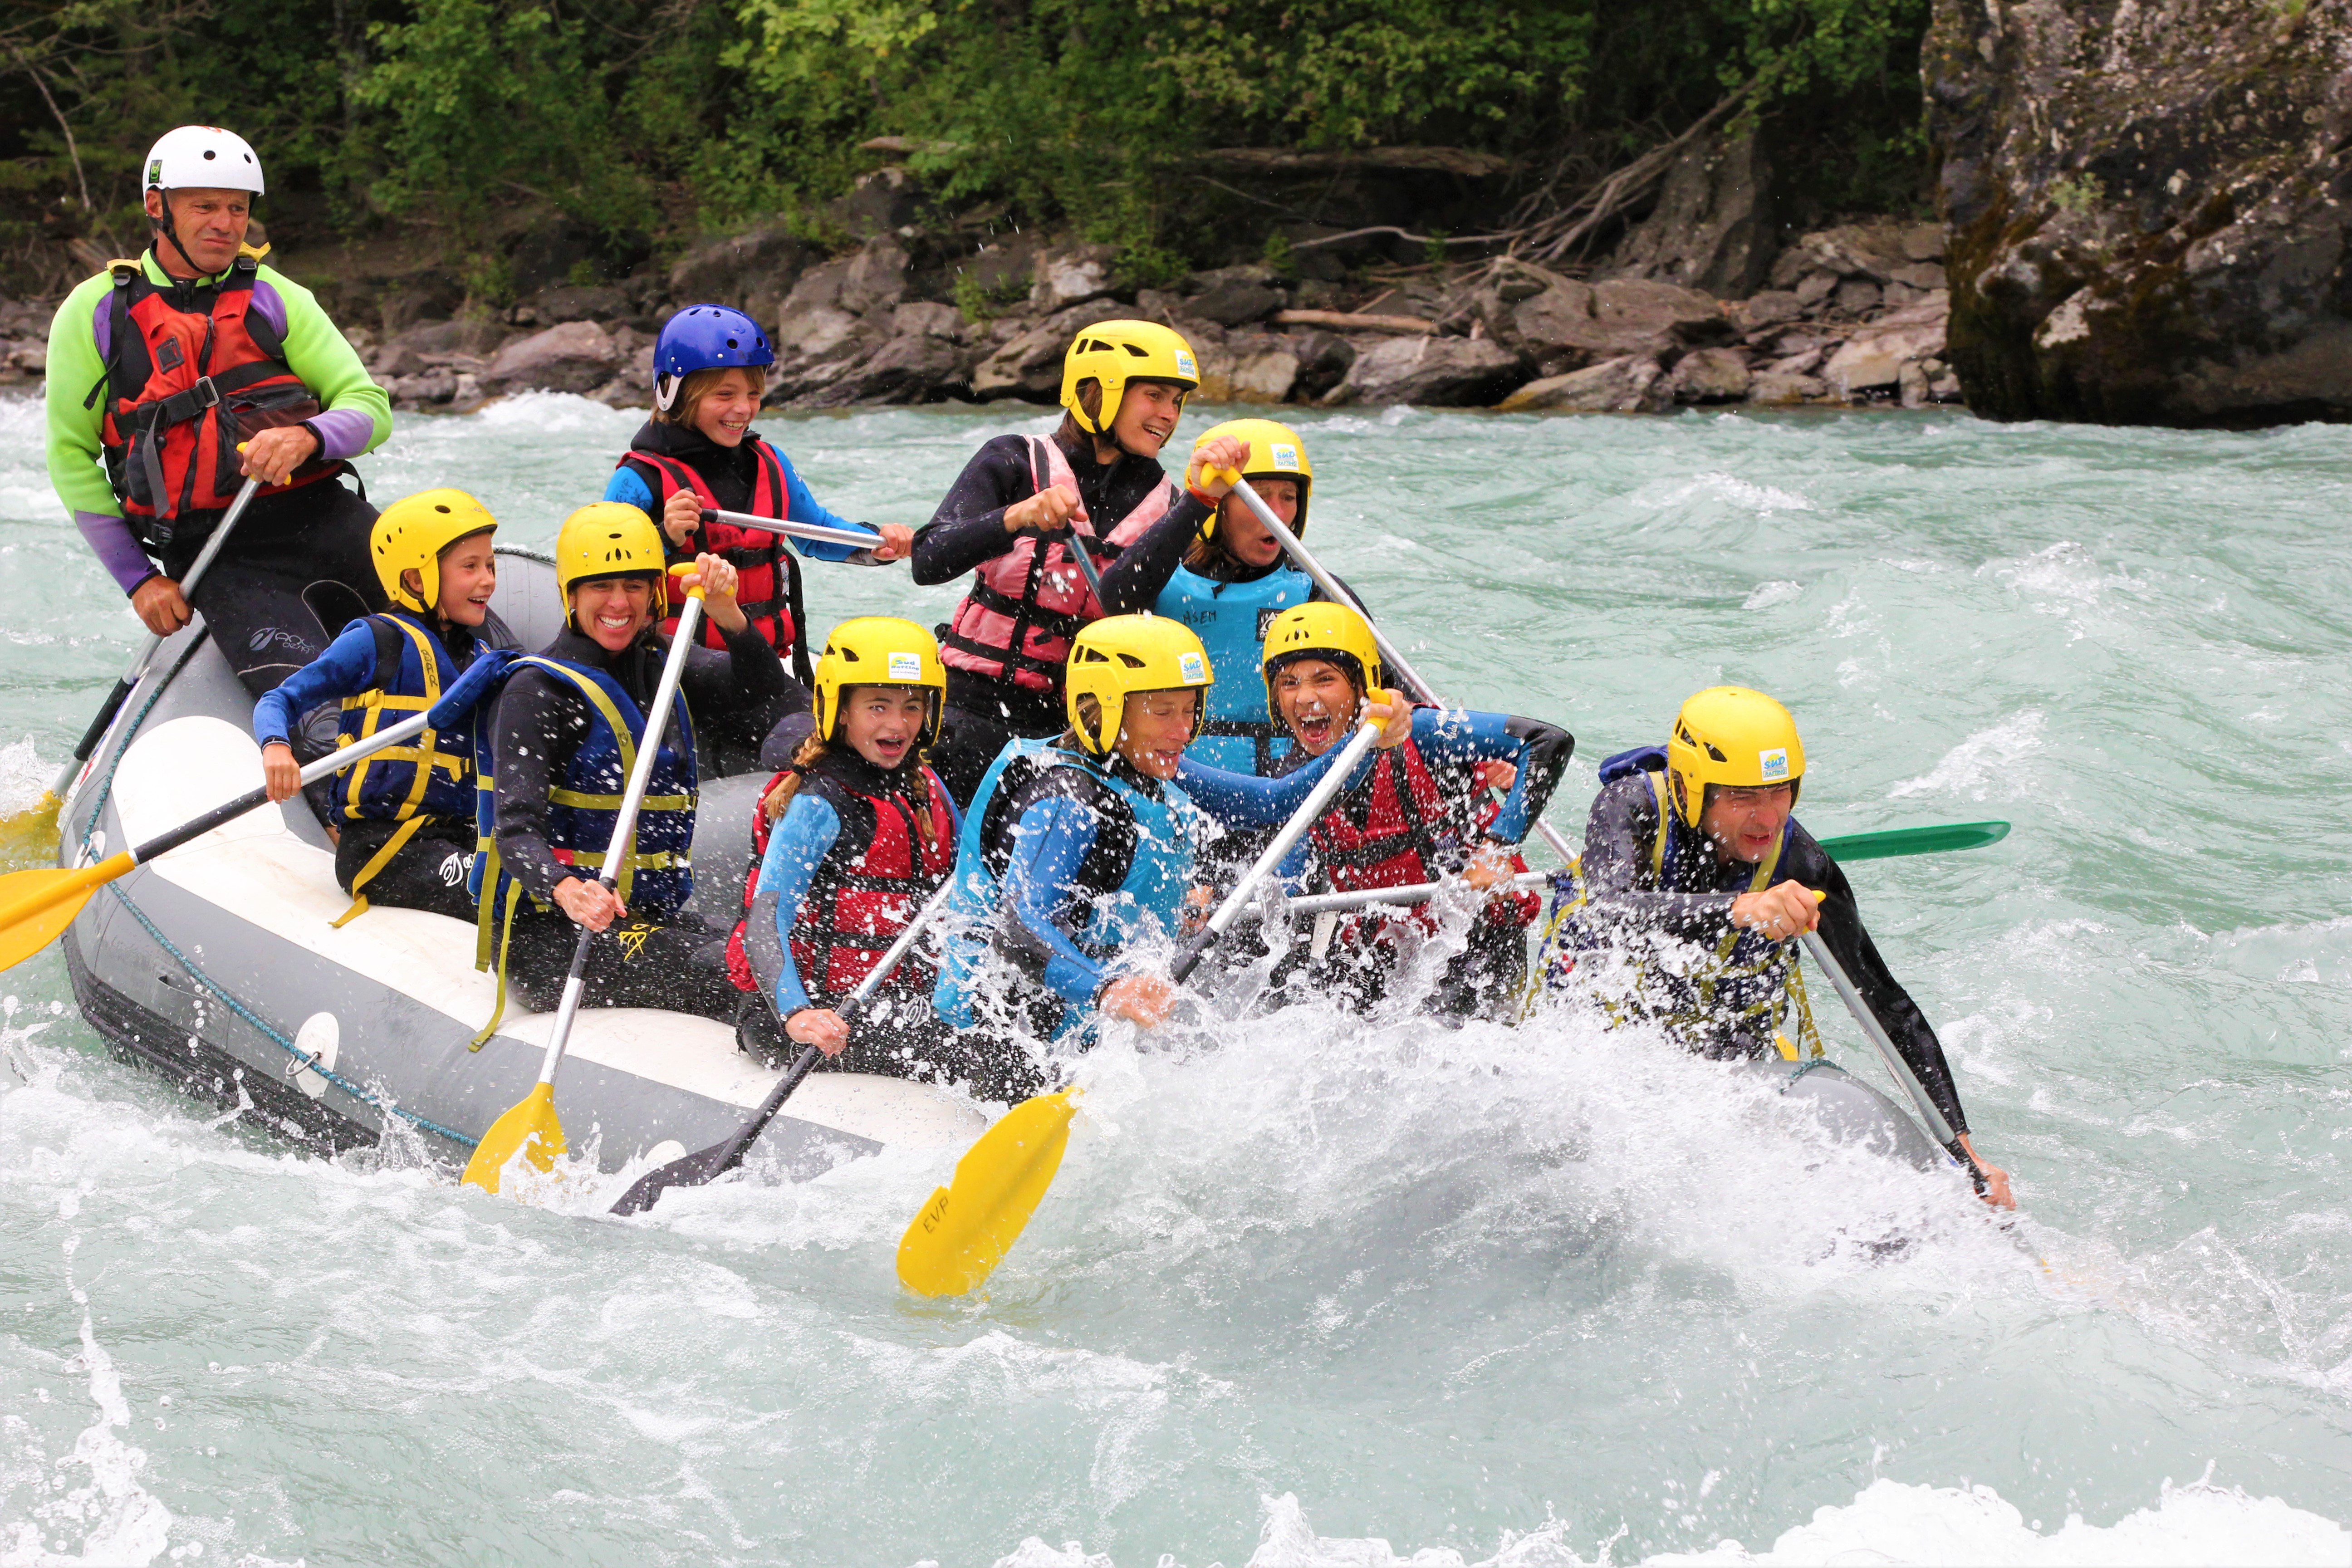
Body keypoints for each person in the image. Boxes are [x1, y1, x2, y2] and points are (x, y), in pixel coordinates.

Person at [1548, 685, 2013, 1206]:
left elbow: (1886, 1003)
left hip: (1727, 1046)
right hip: (1605, 1038)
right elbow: (1607, 911)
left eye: (1780, 792)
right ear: (1689, 787)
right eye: (1743, 797)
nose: (1768, 818)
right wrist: (1739, 909)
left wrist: (1963, 1150)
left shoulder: (1800, 861)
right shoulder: (1631, 806)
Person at [932, 614, 1410, 1102]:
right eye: (1163, 712)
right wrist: (1106, 990)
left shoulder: (1139, 760)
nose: (1183, 731)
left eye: (1189, 710)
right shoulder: (1065, 798)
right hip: (1004, 1045)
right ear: (1106, 706)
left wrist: (1368, 738)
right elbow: (1020, 927)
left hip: (1089, 1037)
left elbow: (1275, 804)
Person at [44, 126, 392, 699]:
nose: (226, 223)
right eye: (205, 206)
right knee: (310, 712)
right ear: (158, 208)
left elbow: (370, 407)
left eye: (237, 208)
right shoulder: (97, 312)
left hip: (325, 518)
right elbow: (69, 454)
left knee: (444, 654)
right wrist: (139, 583)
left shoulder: (276, 297)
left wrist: (309, 436)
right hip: (214, 551)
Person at [469, 503, 786, 1039]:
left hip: (650, 917)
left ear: (656, 594)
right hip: (554, 936)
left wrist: (728, 611)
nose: (619, 603)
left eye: (635, 587)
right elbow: (515, 829)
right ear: (571, 595)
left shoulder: (664, 665)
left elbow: (760, 689)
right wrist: (568, 889)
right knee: (733, 975)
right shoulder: (538, 691)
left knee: (773, 954)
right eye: (601, 587)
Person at [911, 320, 1250, 808]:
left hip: (1077, 726)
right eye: (1154, 396)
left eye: (1177, 401)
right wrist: (1014, 517)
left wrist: (1200, 501)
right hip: (973, 708)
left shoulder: (1172, 502)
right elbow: (928, 559)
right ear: (1100, 389)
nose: (1168, 415)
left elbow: (1118, 599)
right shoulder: (1012, 459)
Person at [604, 304, 912, 771]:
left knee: (827, 732)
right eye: (724, 394)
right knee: (813, 740)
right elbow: (602, 574)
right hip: (673, 666)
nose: (743, 408)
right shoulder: (640, 479)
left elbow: (815, 532)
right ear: (675, 393)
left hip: (761, 665)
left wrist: (878, 544)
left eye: (753, 392)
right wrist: (663, 537)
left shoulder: (770, 462)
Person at [1258, 603, 1572, 1019]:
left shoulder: (1423, 734)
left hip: (1475, 943)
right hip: (1379, 951)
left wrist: (1496, 849)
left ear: (1361, 687)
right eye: (1289, 683)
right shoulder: (1298, 775)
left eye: (1325, 679)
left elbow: (1548, 742)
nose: (1306, 697)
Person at [250, 490, 503, 923]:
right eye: (471, 567)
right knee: (503, 894)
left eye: (490, 566)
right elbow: (280, 699)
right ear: (416, 578)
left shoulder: (481, 658)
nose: (488, 580)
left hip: (455, 839)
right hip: (382, 850)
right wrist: (276, 745)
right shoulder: (377, 641)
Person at [737, 617, 961, 1078]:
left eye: (913, 707)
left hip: (892, 1001)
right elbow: (766, 918)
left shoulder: (927, 787)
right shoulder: (818, 803)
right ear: (841, 710)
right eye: (878, 707)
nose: (898, 724)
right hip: (808, 1015)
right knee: (985, 1058)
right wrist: (798, 1014)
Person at [1097, 418, 1341, 776]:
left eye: (1288, 497)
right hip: (1177, 777)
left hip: (1289, 780)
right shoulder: (1162, 582)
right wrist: (1199, 500)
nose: (1275, 512)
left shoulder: (1317, 591)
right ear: (1218, 506)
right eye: (1255, 496)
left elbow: (1382, 691)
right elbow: (1114, 599)